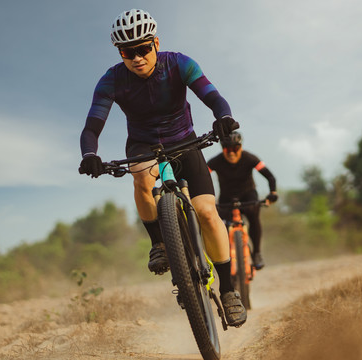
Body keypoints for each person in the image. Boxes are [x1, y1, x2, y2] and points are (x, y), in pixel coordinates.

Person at [77, 9, 246, 327]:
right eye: (129, 52)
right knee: (141, 177)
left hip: (185, 141)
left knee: (207, 212)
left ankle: (229, 290)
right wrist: (89, 153)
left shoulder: (179, 63)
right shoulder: (111, 80)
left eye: (143, 49)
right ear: (120, 53)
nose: (137, 58)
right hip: (143, 145)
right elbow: (92, 126)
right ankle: (159, 243)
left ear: (155, 43)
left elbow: (213, 96)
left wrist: (223, 117)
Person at [207, 131, 278, 270]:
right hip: (226, 198)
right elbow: (200, 175)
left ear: (240, 147)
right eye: (227, 149)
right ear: (223, 149)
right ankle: (224, 259)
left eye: (235, 149)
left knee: (254, 218)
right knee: (221, 227)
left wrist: (272, 193)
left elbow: (270, 177)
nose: (231, 153)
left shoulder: (250, 158)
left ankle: (257, 253)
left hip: (248, 195)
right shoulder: (215, 161)